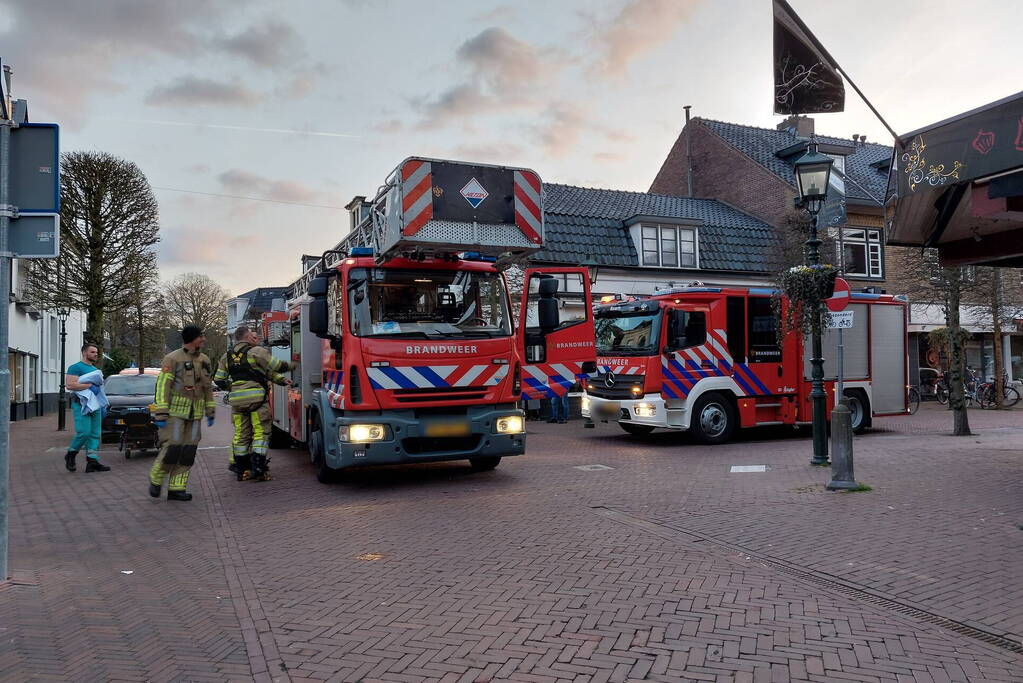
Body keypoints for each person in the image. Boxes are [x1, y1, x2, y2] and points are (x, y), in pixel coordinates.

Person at [214, 325, 292, 482]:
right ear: (248, 337)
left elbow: (219, 379)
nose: (255, 339)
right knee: (261, 432)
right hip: (256, 401)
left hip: (237, 403)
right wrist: (295, 365)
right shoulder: (256, 352)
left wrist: (234, 388)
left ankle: (241, 470)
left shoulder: (226, 356)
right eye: (253, 336)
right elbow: (275, 366)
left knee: (241, 435)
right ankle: (258, 468)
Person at [148, 325, 216, 501]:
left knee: (188, 451)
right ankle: (156, 479)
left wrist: (210, 410)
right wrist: (161, 413)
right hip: (175, 414)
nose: (204, 339)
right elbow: (163, 386)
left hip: (195, 414)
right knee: (172, 448)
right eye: (201, 336)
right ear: (193, 338)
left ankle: (177, 488)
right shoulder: (172, 359)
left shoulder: (205, 360)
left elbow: (207, 387)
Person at [63, 342, 111, 472]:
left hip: (95, 404)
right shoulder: (75, 367)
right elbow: (70, 385)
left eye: (96, 352)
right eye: (92, 352)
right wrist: (90, 386)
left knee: (95, 433)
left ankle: (92, 461)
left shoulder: (95, 370)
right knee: (84, 432)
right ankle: (71, 454)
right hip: (81, 404)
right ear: (84, 353)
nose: (95, 354)